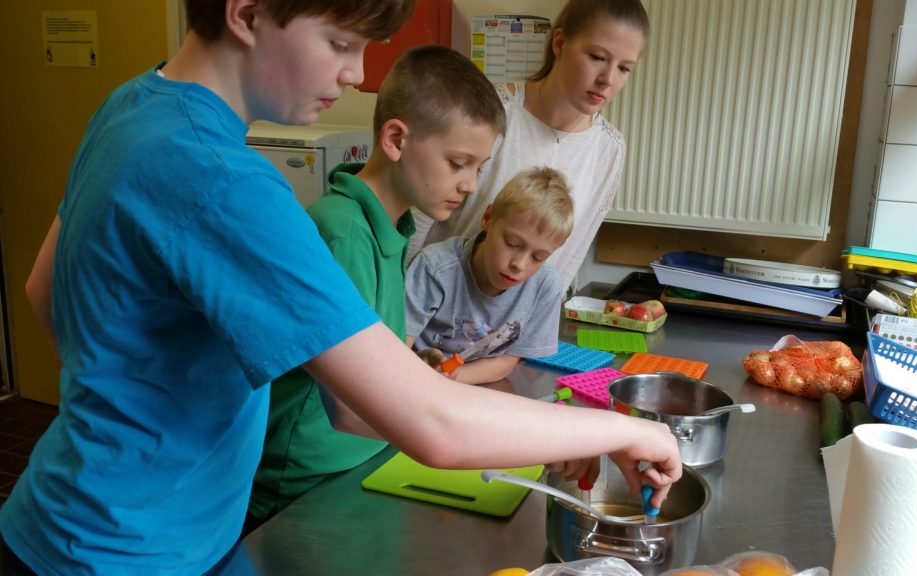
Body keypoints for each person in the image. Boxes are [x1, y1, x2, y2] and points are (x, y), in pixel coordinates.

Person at [2, 0, 681, 572]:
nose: (357, 71)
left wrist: (134, 403)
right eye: (340, 42)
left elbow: (44, 290)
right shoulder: (226, 183)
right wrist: (617, 431)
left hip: (65, 511)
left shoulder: (132, 104)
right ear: (247, 12)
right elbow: (425, 421)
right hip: (130, 550)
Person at [247, 44, 505, 531]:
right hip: (302, 484)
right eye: (458, 162)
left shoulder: (394, 229)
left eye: (478, 167)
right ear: (395, 139)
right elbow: (346, 406)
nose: (471, 184)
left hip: (358, 460)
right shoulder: (343, 231)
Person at [408, 0, 650, 292]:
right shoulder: (490, 112)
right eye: (597, 57)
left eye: (624, 68)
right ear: (559, 43)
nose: (607, 80)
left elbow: (571, 253)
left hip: (512, 328)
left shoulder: (609, 149)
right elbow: (418, 219)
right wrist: (397, 313)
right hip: (429, 308)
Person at [406, 167, 571, 385]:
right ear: (487, 218)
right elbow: (398, 346)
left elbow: (507, 361)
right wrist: (427, 376)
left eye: (538, 257)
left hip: (464, 382)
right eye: (512, 244)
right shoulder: (435, 268)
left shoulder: (545, 286)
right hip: (415, 374)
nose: (519, 265)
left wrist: (450, 378)